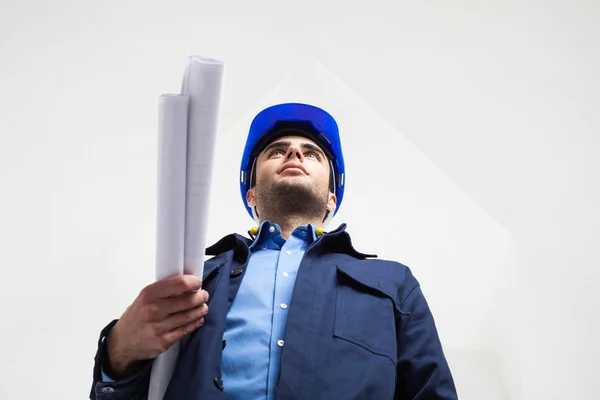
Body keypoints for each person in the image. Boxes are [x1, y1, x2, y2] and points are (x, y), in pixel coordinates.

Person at [89, 103, 458, 399]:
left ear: (331, 199)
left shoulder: (394, 283)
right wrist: (120, 351)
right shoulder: (192, 277)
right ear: (252, 194)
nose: (294, 153)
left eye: (311, 154)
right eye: (277, 151)